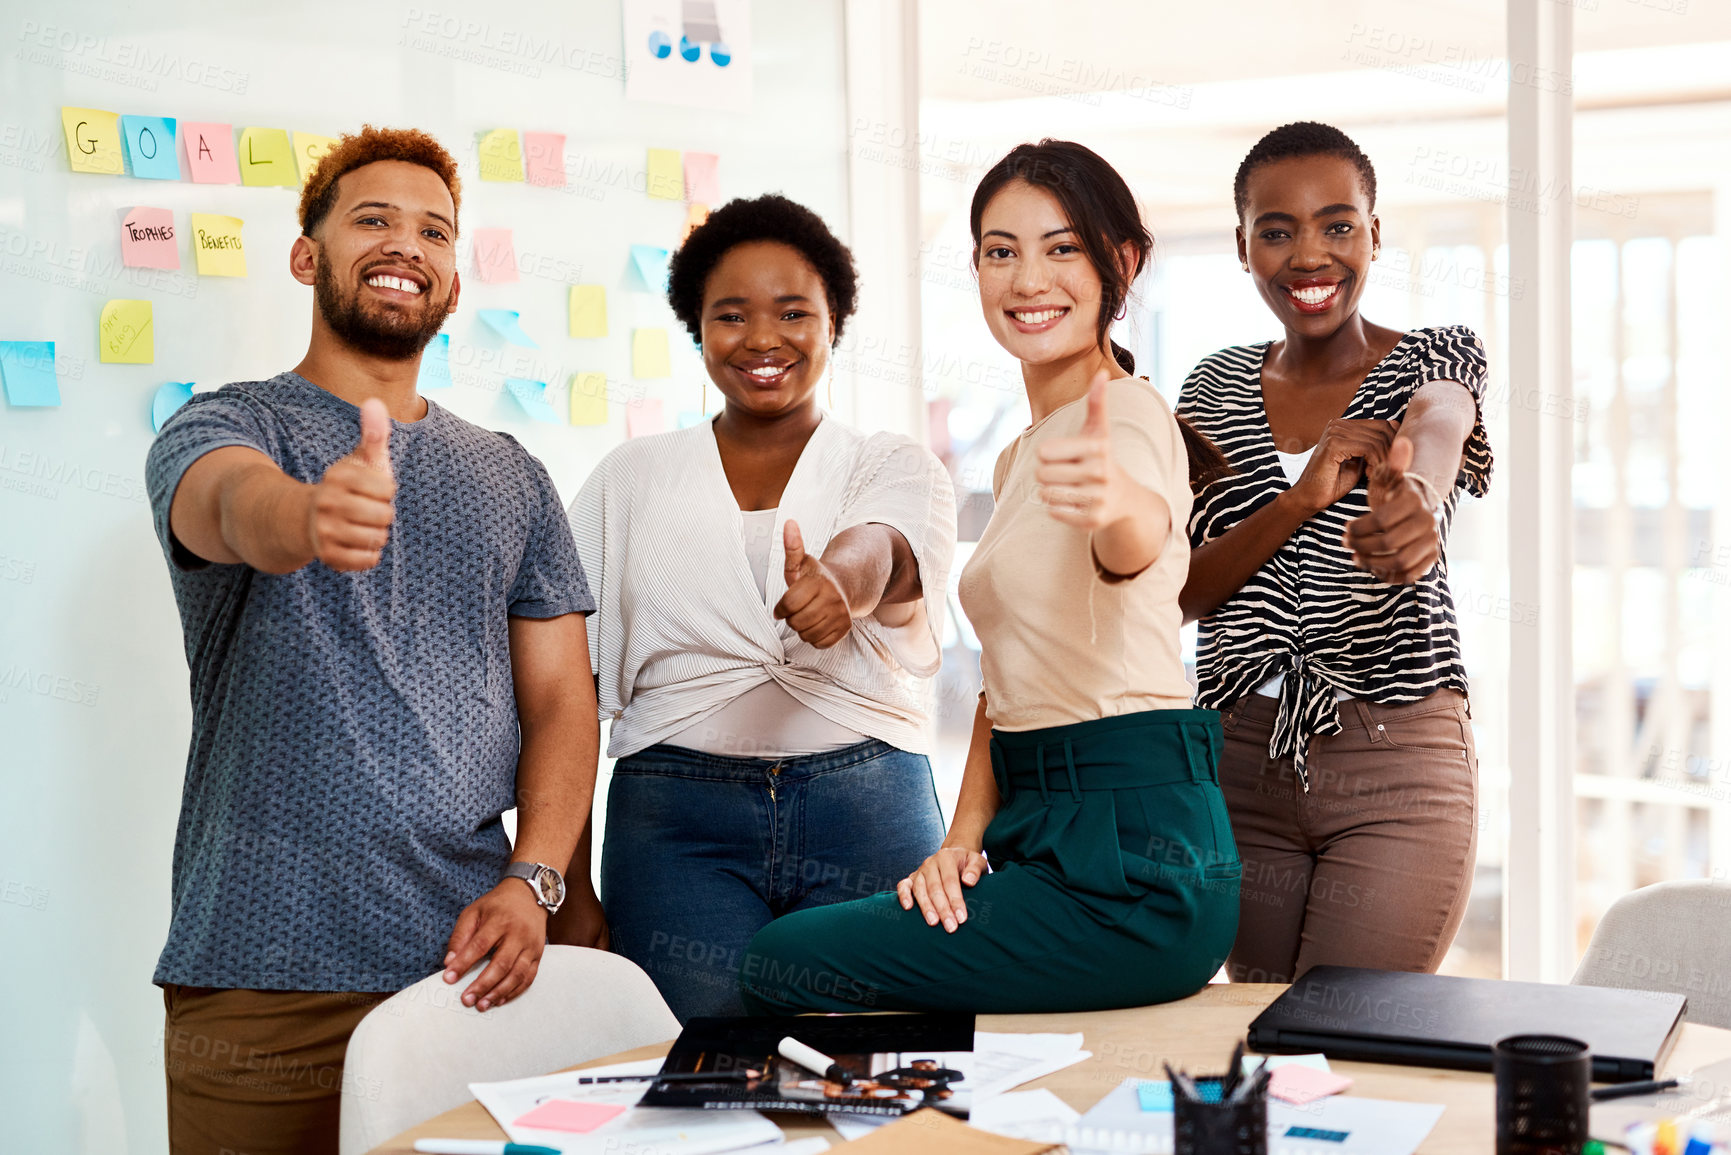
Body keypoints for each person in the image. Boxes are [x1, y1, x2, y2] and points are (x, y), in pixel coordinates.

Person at [145, 126, 604, 1155]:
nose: (407, 242)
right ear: (307, 256)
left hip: (470, 973)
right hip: (260, 977)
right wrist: (306, 518)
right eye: (373, 219)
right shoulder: (227, 426)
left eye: (434, 230)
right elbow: (227, 507)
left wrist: (536, 879)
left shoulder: (513, 473)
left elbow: (564, 705)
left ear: (451, 279)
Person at [739, 141, 1239, 1015]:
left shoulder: (1127, 416)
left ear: (1120, 264)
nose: (1026, 278)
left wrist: (1114, 506)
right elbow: (998, 690)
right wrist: (958, 839)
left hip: (1134, 857)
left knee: (785, 960)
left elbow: (1135, 541)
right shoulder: (1017, 457)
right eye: (1000, 251)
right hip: (1040, 827)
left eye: (1062, 248)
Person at [560, 194, 956, 1021]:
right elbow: (564, 693)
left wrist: (840, 587)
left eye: (792, 312)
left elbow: (886, 547)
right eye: (730, 315)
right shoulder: (629, 478)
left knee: (881, 1080)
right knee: (705, 1091)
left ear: (835, 322)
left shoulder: (892, 462)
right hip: (674, 826)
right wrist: (565, 879)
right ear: (696, 326)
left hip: (867, 806)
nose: (762, 340)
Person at [1176, 121, 1493, 984]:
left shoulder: (1430, 354)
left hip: (1393, 755)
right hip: (1238, 760)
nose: (1309, 255)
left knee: (1354, 1035)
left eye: (1337, 225)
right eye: (1275, 231)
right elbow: (1182, 594)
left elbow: (1438, 424)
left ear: (1375, 234)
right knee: (1262, 1039)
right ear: (1242, 247)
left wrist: (1417, 500)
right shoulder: (1209, 385)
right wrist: (1304, 495)